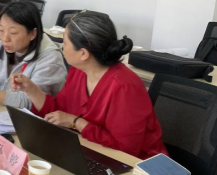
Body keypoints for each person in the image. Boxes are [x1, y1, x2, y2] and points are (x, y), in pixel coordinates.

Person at [13, 10, 166, 160]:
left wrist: (77, 123)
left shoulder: (124, 87)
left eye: (65, 43)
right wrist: (31, 89)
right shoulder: (79, 71)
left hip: (139, 166)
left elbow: (125, 150)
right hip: (92, 151)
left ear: (83, 54)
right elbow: (58, 114)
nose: (62, 47)